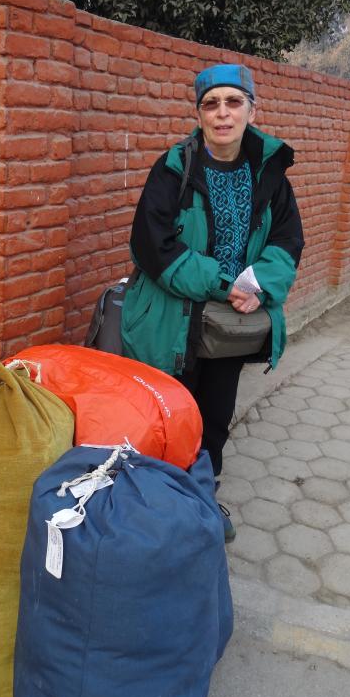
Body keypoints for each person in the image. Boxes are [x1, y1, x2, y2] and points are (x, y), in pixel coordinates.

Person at [121, 63, 304, 540]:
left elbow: (287, 242)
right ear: (199, 113)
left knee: (214, 419)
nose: (222, 114)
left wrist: (259, 285)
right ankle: (150, 510)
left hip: (228, 327)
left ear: (251, 109)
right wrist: (224, 283)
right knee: (162, 415)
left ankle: (201, 503)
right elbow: (151, 244)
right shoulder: (174, 168)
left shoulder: (269, 175)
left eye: (233, 102)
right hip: (169, 319)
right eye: (211, 104)